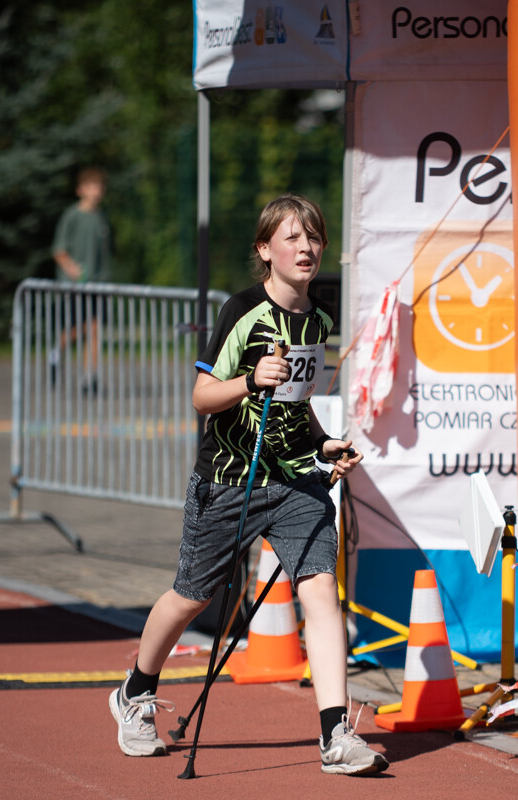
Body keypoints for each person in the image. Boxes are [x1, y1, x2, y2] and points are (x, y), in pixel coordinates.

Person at [108, 194, 388, 776]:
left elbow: (297, 405)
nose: (306, 248)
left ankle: (336, 733)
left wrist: (323, 445)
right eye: (291, 238)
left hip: (293, 481)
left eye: (313, 237)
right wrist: (247, 379)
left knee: (320, 594)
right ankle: (135, 692)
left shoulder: (319, 319)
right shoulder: (243, 311)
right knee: (192, 595)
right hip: (230, 478)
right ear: (265, 250)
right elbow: (201, 398)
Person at [51, 166, 112, 390]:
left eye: (100, 186)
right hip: (74, 287)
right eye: (91, 186)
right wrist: (71, 268)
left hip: (98, 285)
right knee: (77, 329)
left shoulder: (101, 218)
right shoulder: (72, 216)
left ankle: (90, 377)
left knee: (94, 328)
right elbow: (59, 250)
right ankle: (56, 352)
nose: (97, 191)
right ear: (80, 190)